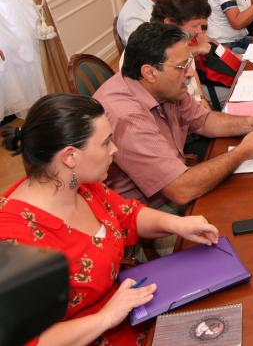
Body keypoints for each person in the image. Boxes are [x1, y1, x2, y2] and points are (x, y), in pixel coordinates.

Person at [0, 93, 220, 345]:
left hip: (129, 313)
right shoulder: (13, 239)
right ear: (70, 157)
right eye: (105, 143)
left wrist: (177, 224)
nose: (114, 149)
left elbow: (128, 216)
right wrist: (105, 317)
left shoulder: (81, 185)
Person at [94, 22, 253, 210]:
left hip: (176, 182)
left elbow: (203, 120)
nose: (190, 73)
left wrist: (251, 123)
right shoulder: (127, 117)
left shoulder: (164, 87)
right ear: (150, 72)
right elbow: (181, 189)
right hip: (145, 210)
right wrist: (242, 153)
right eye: (182, 66)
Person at [150, 0, 240, 109]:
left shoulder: (180, 41)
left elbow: (193, 73)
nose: (199, 31)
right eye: (194, 26)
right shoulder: (156, 53)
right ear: (170, 23)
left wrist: (202, 98)